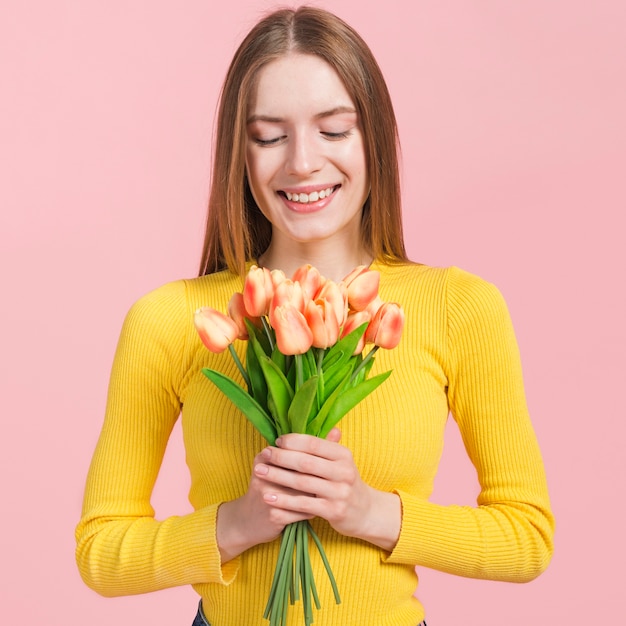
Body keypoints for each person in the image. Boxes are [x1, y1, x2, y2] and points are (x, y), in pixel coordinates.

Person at [75, 7, 554, 626]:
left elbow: (526, 536)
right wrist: (236, 525)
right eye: (269, 136)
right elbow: (100, 551)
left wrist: (369, 512)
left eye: (334, 130)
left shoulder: (460, 308)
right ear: (237, 153)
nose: (302, 162)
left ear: (373, 139)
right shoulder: (171, 319)